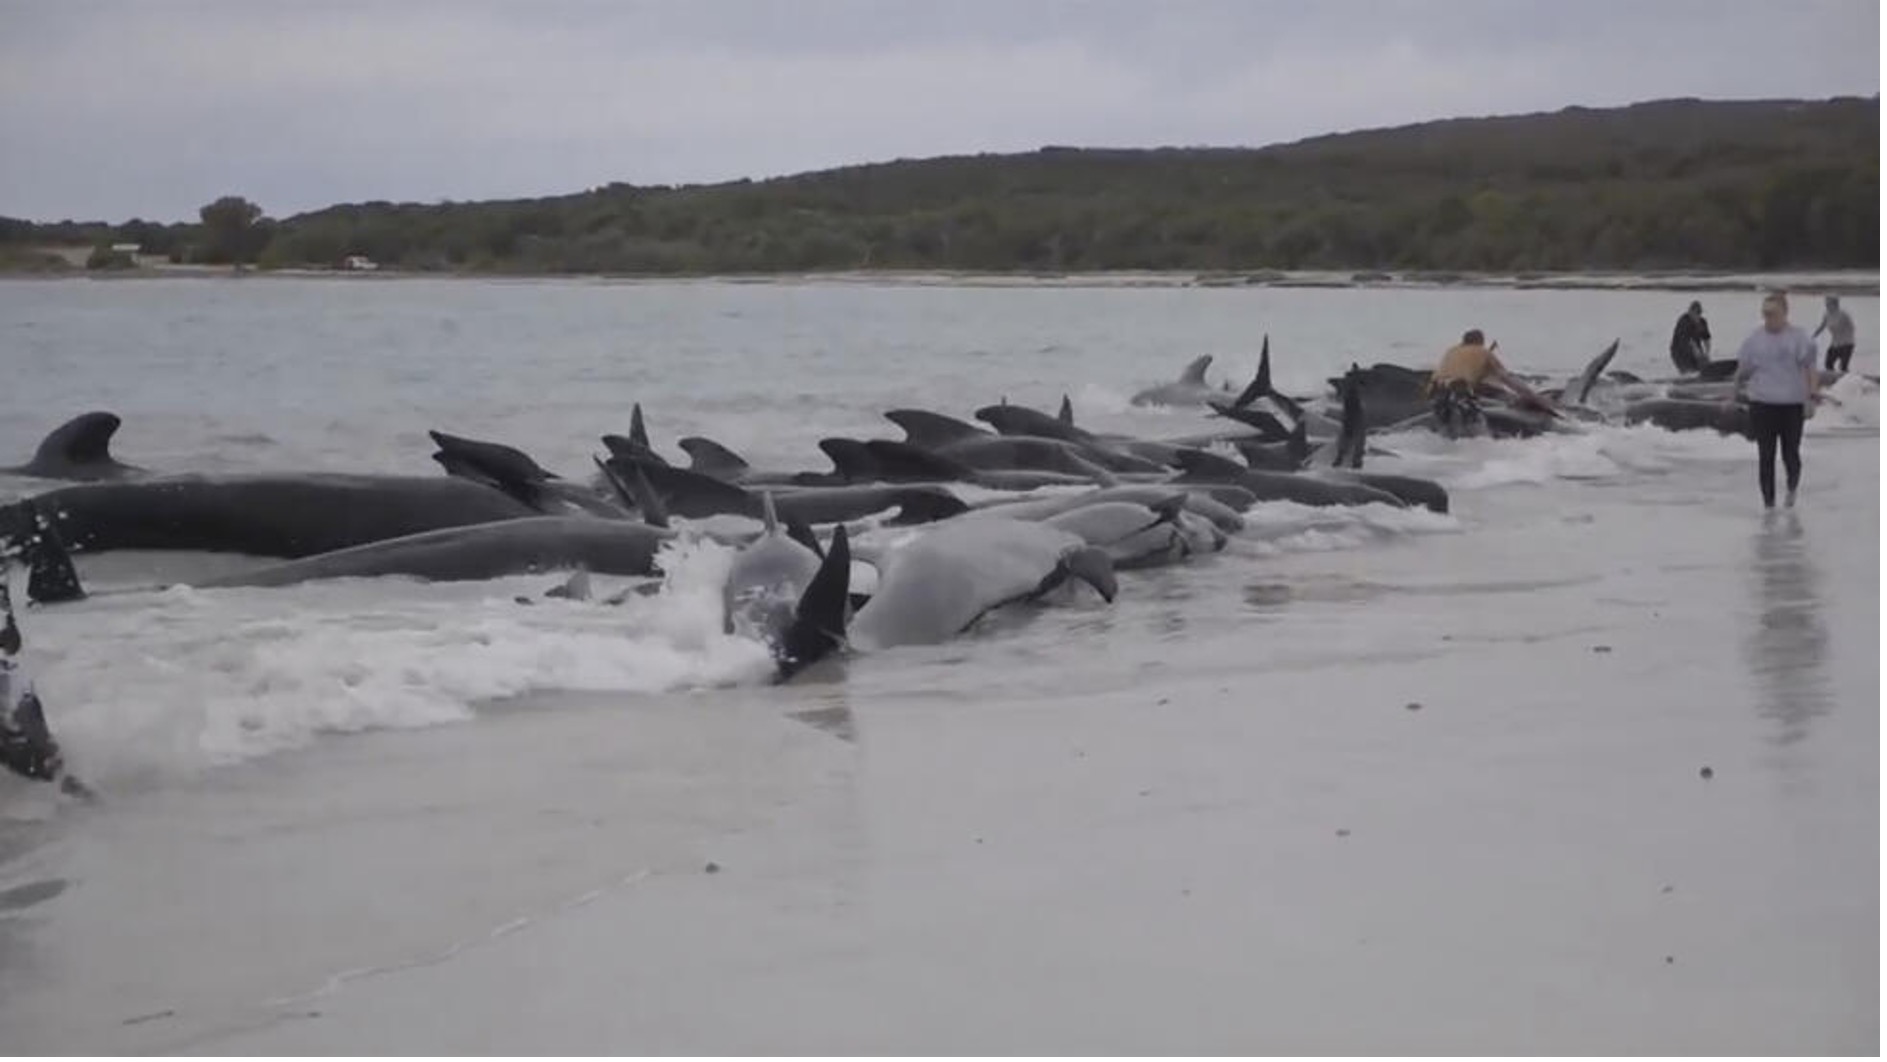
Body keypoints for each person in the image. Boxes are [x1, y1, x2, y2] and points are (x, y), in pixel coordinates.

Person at [1729, 292, 1820, 510]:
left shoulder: (1799, 338)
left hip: (1791, 405)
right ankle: (1768, 505)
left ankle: (1791, 489)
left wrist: (1811, 397)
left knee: (1791, 453)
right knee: (1766, 456)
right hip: (1762, 404)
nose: (1768, 318)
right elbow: (1743, 370)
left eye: (1772, 313)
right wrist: (1734, 391)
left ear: (1784, 313)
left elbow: (1810, 369)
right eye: (1765, 313)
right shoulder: (1754, 340)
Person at [1424, 329, 1555, 438]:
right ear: (1480, 342)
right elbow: (1508, 379)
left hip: (1436, 394)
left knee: (1447, 433)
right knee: (1476, 434)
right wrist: (1534, 399)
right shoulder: (1483, 352)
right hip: (1459, 391)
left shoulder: (1451, 351)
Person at [1811, 294, 1856, 373]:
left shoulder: (1843, 315)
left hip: (1847, 344)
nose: (1826, 306)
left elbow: (1852, 328)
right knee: (1828, 364)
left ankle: (1849, 381)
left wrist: (1845, 336)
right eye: (1826, 304)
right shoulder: (1827, 315)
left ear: (1835, 304)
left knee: (1843, 367)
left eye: (1828, 304)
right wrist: (1813, 336)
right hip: (1835, 344)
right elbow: (1822, 326)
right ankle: (1833, 380)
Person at [1669, 301, 1711, 375]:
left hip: (1696, 349)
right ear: (1690, 312)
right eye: (1695, 313)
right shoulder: (1684, 321)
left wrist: (1707, 353)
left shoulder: (1702, 322)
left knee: (1703, 365)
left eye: (1699, 313)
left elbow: (1706, 338)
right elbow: (1687, 341)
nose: (1697, 316)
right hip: (1679, 351)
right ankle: (1686, 377)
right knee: (1689, 370)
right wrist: (1696, 352)